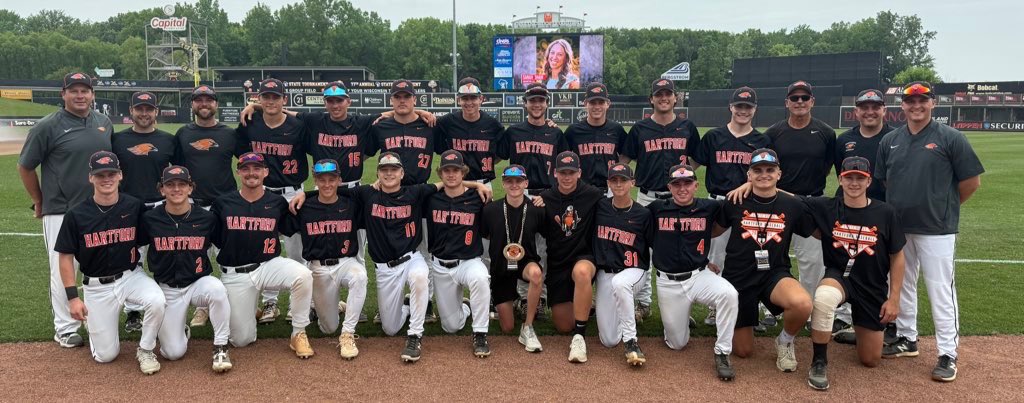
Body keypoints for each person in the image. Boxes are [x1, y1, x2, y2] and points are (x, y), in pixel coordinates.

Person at [316, 152, 491, 362]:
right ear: (378, 173)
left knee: (421, 276)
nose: (389, 174)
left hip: (411, 259)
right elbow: (331, 190)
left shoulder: (415, 193)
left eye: (393, 170)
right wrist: (305, 195)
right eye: (384, 170)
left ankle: (415, 336)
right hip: (384, 267)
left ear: (402, 173)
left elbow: (448, 184)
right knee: (391, 328)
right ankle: (413, 306)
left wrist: (477, 185)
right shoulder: (366, 194)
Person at [876, 81, 984, 382]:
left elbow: (971, 182)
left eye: (922, 101)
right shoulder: (891, 140)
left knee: (940, 290)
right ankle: (907, 338)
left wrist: (944, 206)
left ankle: (948, 352)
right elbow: (886, 182)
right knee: (902, 283)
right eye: (910, 102)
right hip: (900, 228)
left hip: (937, 228)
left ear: (933, 104)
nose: (916, 106)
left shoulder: (950, 137)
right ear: (903, 106)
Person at [18, 72, 113, 348]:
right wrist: (39, 200)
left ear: (92, 94)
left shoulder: (103, 123)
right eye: (74, 91)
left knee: (97, 265)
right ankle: (65, 327)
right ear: (63, 94)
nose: (80, 96)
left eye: (85, 91)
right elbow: (25, 166)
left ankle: (97, 318)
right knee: (62, 267)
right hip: (61, 209)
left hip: (97, 207)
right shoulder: (47, 126)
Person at [54, 151, 165, 374]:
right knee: (106, 356)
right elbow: (65, 256)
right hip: (96, 287)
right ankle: (96, 324)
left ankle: (145, 349)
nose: (107, 179)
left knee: (157, 300)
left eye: (111, 173)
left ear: (120, 175)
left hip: (130, 277)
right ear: (91, 177)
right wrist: (73, 299)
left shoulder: (134, 207)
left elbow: (153, 238)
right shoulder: (76, 215)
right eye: (100, 174)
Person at [803, 156, 906, 390]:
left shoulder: (886, 212)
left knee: (870, 360)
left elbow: (897, 255)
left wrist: (894, 298)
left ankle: (859, 330)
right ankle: (819, 361)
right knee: (824, 299)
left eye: (860, 178)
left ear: (869, 181)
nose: (854, 183)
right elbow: (790, 198)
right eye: (849, 178)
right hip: (839, 276)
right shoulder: (827, 206)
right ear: (840, 179)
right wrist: (752, 184)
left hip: (872, 284)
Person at [715, 148, 813, 372]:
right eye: (757, 170)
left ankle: (785, 340)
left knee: (802, 304)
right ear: (749, 175)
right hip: (739, 277)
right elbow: (713, 231)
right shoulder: (735, 200)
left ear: (779, 173)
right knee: (743, 351)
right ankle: (735, 315)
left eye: (770, 170)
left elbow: (816, 230)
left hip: (774, 274)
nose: (764, 174)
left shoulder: (793, 205)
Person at [764, 81, 849, 335]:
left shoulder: (825, 132)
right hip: (779, 202)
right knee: (769, 256)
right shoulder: (774, 132)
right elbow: (767, 169)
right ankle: (769, 309)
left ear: (812, 101)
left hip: (812, 203)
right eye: (794, 98)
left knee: (812, 261)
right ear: (787, 103)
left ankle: (809, 310)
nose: (799, 102)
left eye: (804, 98)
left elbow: (829, 167)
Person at [211, 152, 315, 358]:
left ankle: (298, 333)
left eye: (257, 168)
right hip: (236, 273)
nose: (252, 173)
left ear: (265, 172)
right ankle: (250, 308)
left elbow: (292, 224)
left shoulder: (276, 202)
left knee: (303, 275)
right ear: (238, 172)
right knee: (241, 340)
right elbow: (215, 238)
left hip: (268, 265)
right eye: (246, 169)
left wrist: (307, 195)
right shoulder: (223, 203)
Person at [621, 78, 702, 323]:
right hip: (647, 197)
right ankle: (644, 303)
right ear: (652, 99)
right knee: (642, 250)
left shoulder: (687, 126)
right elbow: (624, 158)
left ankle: (679, 305)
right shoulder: (640, 128)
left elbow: (696, 158)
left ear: (675, 98)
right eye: (659, 94)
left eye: (668, 94)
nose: (664, 98)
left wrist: (685, 180)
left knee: (678, 251)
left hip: (678, 200)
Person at [649, 164, 739, 381]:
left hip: (699, 275)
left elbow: (735, 206)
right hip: (668, 282)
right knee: (677, 344)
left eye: (687, 183)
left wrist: (746, 184)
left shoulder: (709, 207)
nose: (682, 188)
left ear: (696, 185)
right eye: (677, 184)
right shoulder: (656, 209)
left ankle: (723, 352)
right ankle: (677, 319)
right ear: (669, 187)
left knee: (729, 294)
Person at [691, 86, 771, 327]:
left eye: (748, 107)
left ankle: (751, 304)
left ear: (754, 110)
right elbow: (693, 164)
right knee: (716, 256)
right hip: (719, 202)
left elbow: (768, 174)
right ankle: (717, 307)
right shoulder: (714, 137)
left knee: (752, 256)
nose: (743, 111)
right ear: (731, 107)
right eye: (739, 106)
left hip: (751, 205)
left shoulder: (761, 141)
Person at [139, 166, 232, 372]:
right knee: (173, 353)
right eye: (170, 185)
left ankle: (221, 346)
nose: (176, 189)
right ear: (161, 190)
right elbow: (134, 245)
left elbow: (224, 243)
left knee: (217, 289)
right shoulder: (150, 219)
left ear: (191, 188)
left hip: (199, 283)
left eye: (182, 184)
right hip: (167, 288)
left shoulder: (206, 218)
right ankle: (179, 329)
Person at [236, 78, 311, 324]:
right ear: (259, 99)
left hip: (292, 192)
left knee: (296, 249)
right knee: (262, 247)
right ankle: (270, 302)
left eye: (275, 97)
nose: (270, 101)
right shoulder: (250, 123)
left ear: (284, 100)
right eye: (265, 97)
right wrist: (253, 108)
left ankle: (299, 302)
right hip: (262, 192)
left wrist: (254, 106)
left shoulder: (298, 126)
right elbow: (240, 153)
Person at [368, 79, 442, 323]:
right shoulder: (381, 126)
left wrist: (422, 114)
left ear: (414, 100)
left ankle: (426, 302)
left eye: (406, 97)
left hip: (419, 192)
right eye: (397, 97)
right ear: (391, 100)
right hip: (390, 193)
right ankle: (394, 301)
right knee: (392, 247)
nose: (402, 100)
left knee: (424, 250)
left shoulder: (429, 125)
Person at [174, 85, 245, 327]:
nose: (204, 104)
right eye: (198, 100)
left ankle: (235, 301)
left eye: (209, 100)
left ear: (216, 104)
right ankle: (203, 307)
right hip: (193, 205)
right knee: (197, 256)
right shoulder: (183, 134)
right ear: (192, 105)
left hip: (225, 204)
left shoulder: (229, 134)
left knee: (229, 255)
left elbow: (247, 164)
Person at [496, 83, 567, 318]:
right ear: (525, 104)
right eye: (532, 100)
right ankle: (524, 297)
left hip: (546, 194)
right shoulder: (514, 131)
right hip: (520, 193)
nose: (537, 104)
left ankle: (541, 297)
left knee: (544, 248)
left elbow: (564, 166)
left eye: (541, 100)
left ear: (547, 103)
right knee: (518, 245)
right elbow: (496, 156)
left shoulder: (556, 133)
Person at [284, 159, 367, 360]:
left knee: (360, 276)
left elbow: (372, 195)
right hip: (318, 268)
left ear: (339, 180)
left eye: (332, 179)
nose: (327, 184)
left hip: (346, 262)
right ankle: (332, 307)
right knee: (328, 328)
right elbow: (283, 226)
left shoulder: (351, 204)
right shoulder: (304, 206)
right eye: (322, 180)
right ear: (315, 180)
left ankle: (347, 334)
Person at [112, 91, 177, 333]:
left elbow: (179, 173)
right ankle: (133, 312)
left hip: (161, 206)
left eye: (149, 108)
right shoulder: (117, 140)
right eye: (139, 108)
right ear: (131, 111)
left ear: (155, 112)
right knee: (131, 259)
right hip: (129, 207)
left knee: (166, 255)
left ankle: (167, 305)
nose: (144, 113)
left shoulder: (168, 140)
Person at [424, 150, 492, 357]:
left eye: (456, 170)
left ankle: (480, 333)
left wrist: (478, 185)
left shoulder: (478, 198)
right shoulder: (430, 198)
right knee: (451, 327)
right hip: (441, 266)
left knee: (481, 278)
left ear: (463, 172)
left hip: (468, 261)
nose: (451, 174)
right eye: (446, 170)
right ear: (440, 174)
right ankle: (466, 308)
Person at [540, 151, 606, 363]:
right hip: (558, 264)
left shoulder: (592, 194)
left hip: (583, 257)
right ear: (555, 173)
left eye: (571, 172)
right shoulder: (546, 198)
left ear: (579, 173)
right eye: (562, 172)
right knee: (563, 326)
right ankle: (585, 305)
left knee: (582, 272)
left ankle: (580, 336)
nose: (566, 177)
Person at [592, 163, 654, 366]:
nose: (618, 184)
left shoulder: (643, 214)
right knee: (609, 340)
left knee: (621, 284)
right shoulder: (600, 206)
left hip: (633, 271)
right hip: (606, 273)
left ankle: (631, 341)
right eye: (614, 180)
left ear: (633, 183)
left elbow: (656, 246)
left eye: (623, 180)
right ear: (608, 183)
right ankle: (622, 311)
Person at [481, 165, 546, 352]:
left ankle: (528, 327)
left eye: (519, 181)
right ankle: (515, 299)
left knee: (536, 275)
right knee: (507, 327)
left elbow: (549, 233)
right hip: (501, 266)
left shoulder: (536, 209)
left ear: (526, 183)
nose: (514, 185)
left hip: (526, 262)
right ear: (503, 183)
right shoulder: (491, 210)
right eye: (509, 181)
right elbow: (485, 235)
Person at [435, 77, 505, 189]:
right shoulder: (447, 122)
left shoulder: (493, 124)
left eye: (473, 98)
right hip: (457, 184)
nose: (469, 102)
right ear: (458, 100)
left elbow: (501, 154)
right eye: (464, 98)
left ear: (481, 99)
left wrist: (487, 159)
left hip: (484, 183)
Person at [564, 82, 628, 193]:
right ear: (585, 103)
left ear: (607, 104)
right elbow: (562, 156)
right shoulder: (573, 131)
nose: (597, 106)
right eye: (593, 102)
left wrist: (616, 170)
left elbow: (627, 153)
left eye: (601, 102)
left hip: (609, 190)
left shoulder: (616, 129)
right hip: (581, 190)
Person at [835, 89, 893, 202]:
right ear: (856, 111)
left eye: (875, 107)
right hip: (849, 206)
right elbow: (840, 173)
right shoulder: (843, 140)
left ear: (884, 110)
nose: (870, 112)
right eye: (864, 108)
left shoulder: (896, 138)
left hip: (883, 206)